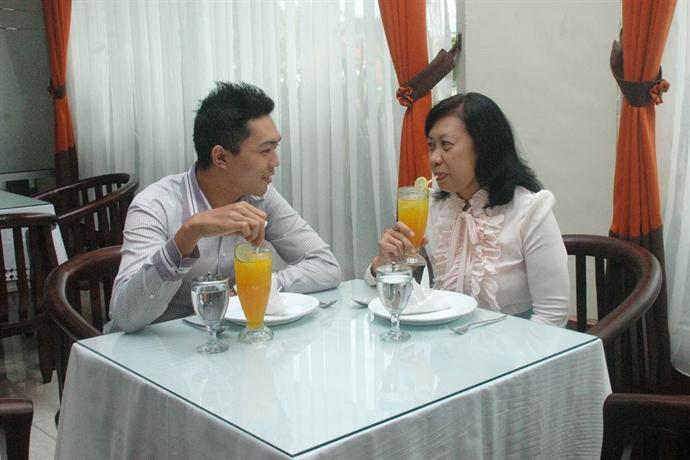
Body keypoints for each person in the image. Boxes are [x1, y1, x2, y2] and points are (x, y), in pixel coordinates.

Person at [107, 82, 341, 333]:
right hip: (154, 347)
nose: (275, 161)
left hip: (224, 343)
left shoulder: (261, 197)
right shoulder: (155, 205)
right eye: (266, 150)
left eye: (275, 148)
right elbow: (127, 316)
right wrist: (188, 235)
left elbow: (325, 266)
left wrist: (251, 290)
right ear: (221, 157)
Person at [366, 92, 569, 327]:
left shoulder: (531, 209)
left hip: (513, 342)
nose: (434, 158)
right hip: (444, 339)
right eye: (431, 146)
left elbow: (552, 315)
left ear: (484, 147)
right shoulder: (429, 205)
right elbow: (387, 293)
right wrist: (383, 264)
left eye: (446, 145)